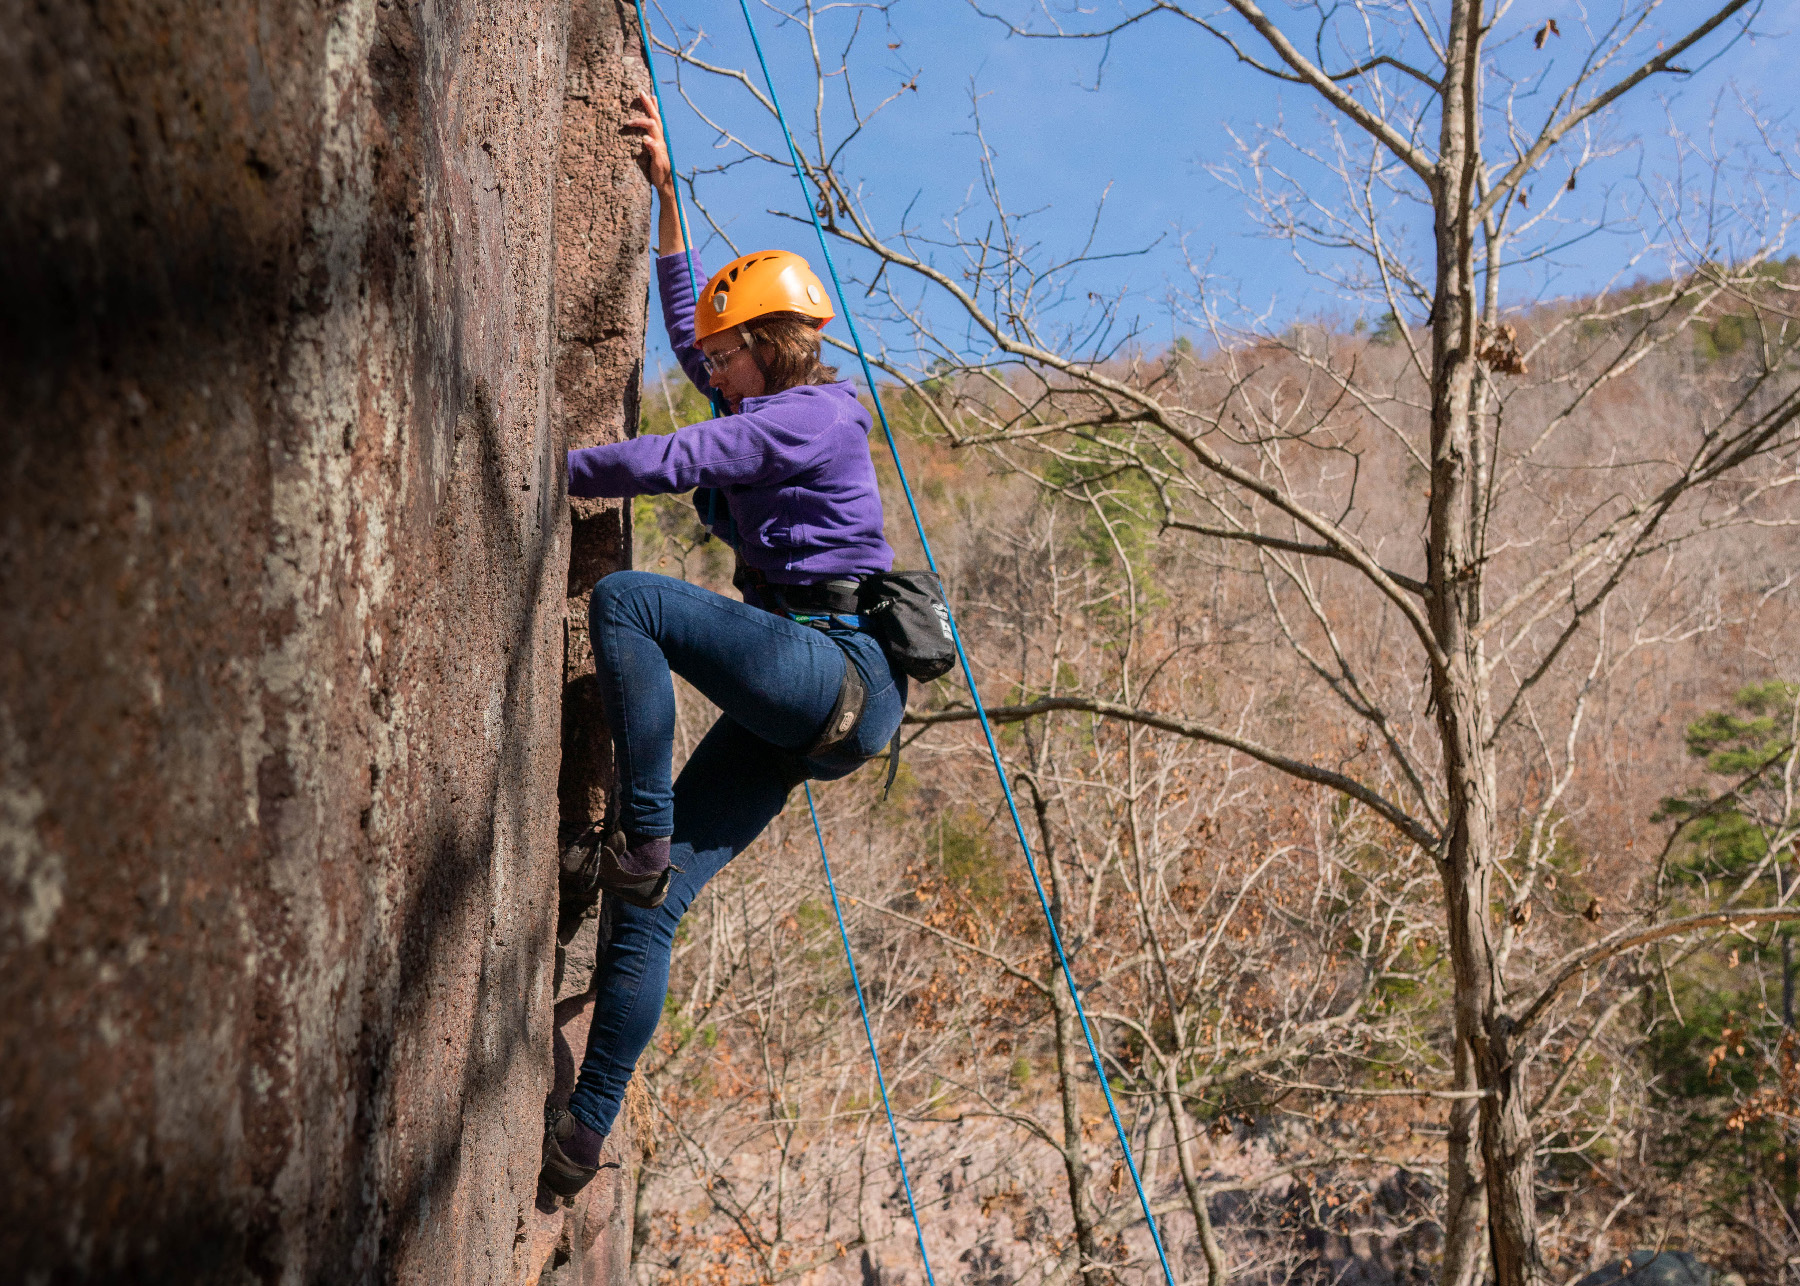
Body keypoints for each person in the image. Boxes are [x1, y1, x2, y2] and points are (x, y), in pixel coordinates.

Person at [539, 92, 906, 1198]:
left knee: (632, 604)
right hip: (800, 703)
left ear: (761, 349)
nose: (709, 362)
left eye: (723, 351)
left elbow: (676, 452)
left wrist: (548, 465)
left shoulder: (816, 414)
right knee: (645, 914)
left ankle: (639, 833)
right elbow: (694, 348)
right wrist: (664, 197)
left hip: (839, 669)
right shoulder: (764, 403)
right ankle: (581, 1135)